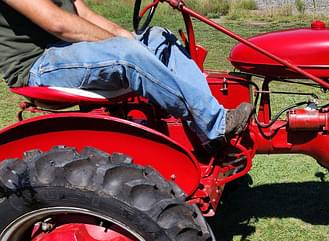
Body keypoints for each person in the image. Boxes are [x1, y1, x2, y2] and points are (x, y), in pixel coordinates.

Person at [0, 0, 253, 144]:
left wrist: (128, 38)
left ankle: (203, 133)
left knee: (157, 37)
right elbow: (59, 24)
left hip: (68, 52)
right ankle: (215, 124)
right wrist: (123, 47)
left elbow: (84, 13)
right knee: (127, 55)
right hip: (37, 66)